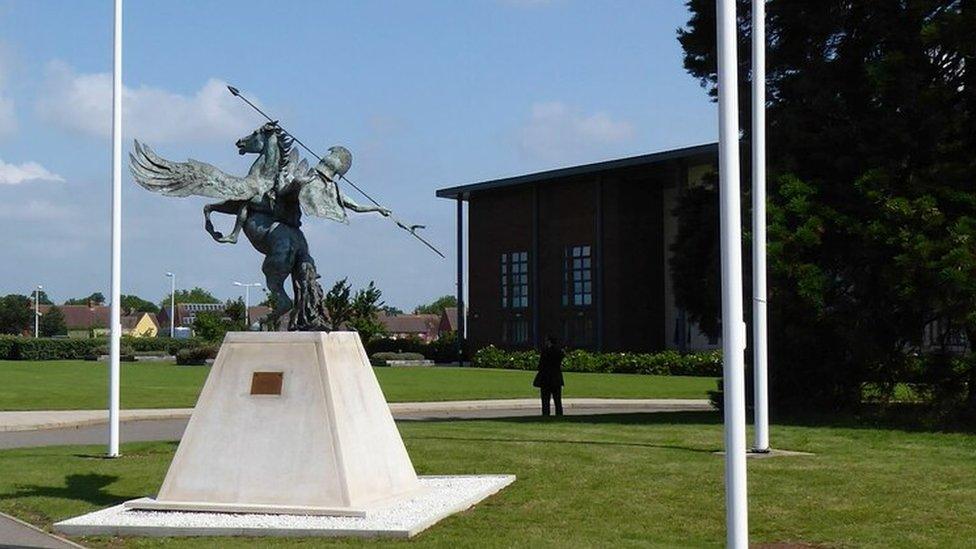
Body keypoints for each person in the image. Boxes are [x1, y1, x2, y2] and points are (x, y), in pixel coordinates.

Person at [534, 336, 565, 416]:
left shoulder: (545, 351)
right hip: (556, 377)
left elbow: (541, 365)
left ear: (549, 341)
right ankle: (559, 414)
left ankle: (546, 414)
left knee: (545, 399)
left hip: (546, 378)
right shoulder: (559, 352)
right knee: (557, 399)